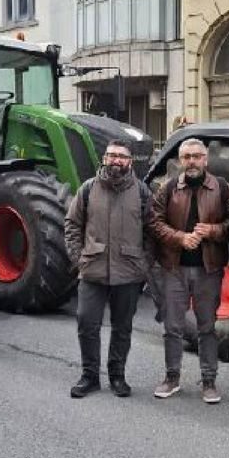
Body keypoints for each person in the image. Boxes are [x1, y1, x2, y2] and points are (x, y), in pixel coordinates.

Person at [148, 138, 229, 403]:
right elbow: (154, 222)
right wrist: (180, 238)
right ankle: (172, 378)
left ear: (205, 159)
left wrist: (213, 230)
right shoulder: (168, 187)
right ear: (181, 160)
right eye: (187, 157)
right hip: (174, 268)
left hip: (209, 269)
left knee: (207, 327)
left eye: (197, 156)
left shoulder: (221, 188)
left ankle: (209, 381)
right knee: (172, 327)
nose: (192, 161)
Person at [64, 140, 153, 399]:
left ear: (130, 162)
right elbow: (72, 224)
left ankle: (117, 376)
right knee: (86, 323)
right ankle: (89, 376)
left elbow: (152, 231)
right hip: (92, 269)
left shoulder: (142, 192)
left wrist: (144, 264)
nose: (116, 160)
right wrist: (78, 259)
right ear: (104, 159)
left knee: (122, 327)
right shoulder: (88, 189)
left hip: (129, 272)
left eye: (122, 156)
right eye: (112, 155)